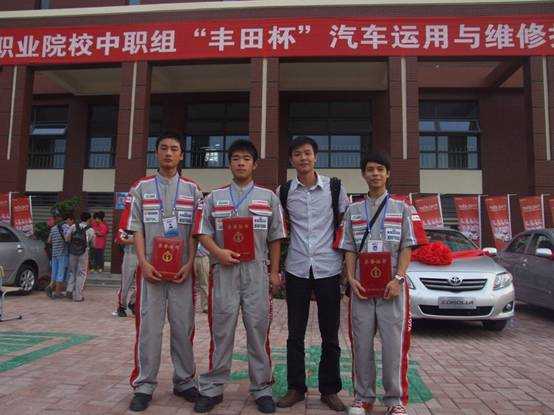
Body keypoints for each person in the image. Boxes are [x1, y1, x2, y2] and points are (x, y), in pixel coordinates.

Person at [193, 139, 286, 414]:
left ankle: (262, 388)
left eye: (246, 158)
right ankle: (213, 387)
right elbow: (202, 232)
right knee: (221, 330)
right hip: (224, 272)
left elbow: (276, 237)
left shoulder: (268, 198)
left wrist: (274, 272)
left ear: (254, 164)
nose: (241, 163)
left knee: (258, 330)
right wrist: (218, 253)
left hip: (256, 272)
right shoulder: (214, 198)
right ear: (230, 164)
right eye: (236, 158)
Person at [336, 152, 418, 415]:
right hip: (362, 289)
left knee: (394, 346)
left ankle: (394, 400)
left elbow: (407, 247)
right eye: (370, 169)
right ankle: (363, 398)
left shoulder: (403, 208)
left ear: (388, 173)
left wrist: (398, 278)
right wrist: (351, 278)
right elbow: (349, 248)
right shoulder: (353, 210)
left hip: (392, 288)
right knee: (361, 345)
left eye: (380, 169)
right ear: (363, 174)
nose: (375, 174)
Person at [126, 131, 203, 412]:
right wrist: (143, 263)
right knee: (149, 329)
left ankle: (184, 381)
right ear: (156, 153)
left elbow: (197, 232)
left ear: (181, 155)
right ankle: (144, 385)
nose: (169, 153)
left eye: (174, 149)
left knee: (183, 327)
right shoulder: (141, 188)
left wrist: (190, 262)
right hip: (151, 273)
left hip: (182, 272)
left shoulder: (193, 190)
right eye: (163, 148)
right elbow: (135, 227)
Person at [276, 136, 350, 411]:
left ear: (315, 157)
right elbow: (278, 229)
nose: (303, 158)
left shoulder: (335, 187)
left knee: (330, 333)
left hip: (328, 267)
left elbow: (346, 228)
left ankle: (329, 390)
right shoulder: (283, 191)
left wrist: (347, 268)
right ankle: (296, 388)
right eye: (297, 154)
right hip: (296, 267)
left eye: (307, 153)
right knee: (295, 332)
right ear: (291, 160)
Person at [65, 212, 95, 302]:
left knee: (72, 271)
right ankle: (78, 296)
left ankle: (69, 290)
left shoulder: (73, 226)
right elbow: (93, 244)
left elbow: (67, 239)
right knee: (81, 273)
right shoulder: (91, 230)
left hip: (72, 251)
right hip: (83, 252)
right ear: (89, 219)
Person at [46, 212, 70, 299]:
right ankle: (56, 292)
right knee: (60, 274)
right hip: (63, 253)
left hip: (54, 253)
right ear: (61, 218)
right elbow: (67, 239)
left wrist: (56, 242)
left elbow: (49, 241)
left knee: (54, 273)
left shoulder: (53, 228)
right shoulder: (66, 227)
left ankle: (51, 287)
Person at [194, 242, 209, 314]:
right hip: (190, 257)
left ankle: (206, 306)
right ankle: (189, 305)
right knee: (188, 284)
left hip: (203, 256)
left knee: (204, 283)